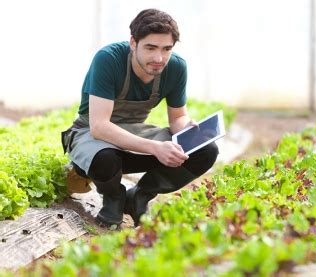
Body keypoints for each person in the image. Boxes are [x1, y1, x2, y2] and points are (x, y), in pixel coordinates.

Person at [61, 8, 219, 228]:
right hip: (91, 135)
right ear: (133, 43)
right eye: (151, 48)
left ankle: (140, 196)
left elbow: (178, 117)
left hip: (136, 132)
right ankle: (114, 198)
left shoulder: (176, 67)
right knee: (104, 158)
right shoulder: (108, 59)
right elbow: (99, 127)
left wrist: (188, 130)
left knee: (205, 150)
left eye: (167, 49)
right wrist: (155, 147)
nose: (159, 58)